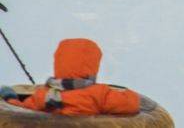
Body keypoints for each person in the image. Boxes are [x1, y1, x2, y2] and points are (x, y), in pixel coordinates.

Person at [0, 38, 140, 117]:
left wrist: (9, 97)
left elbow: (22, 109)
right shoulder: (100, 94)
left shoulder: (44, 95)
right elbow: (132, 103)